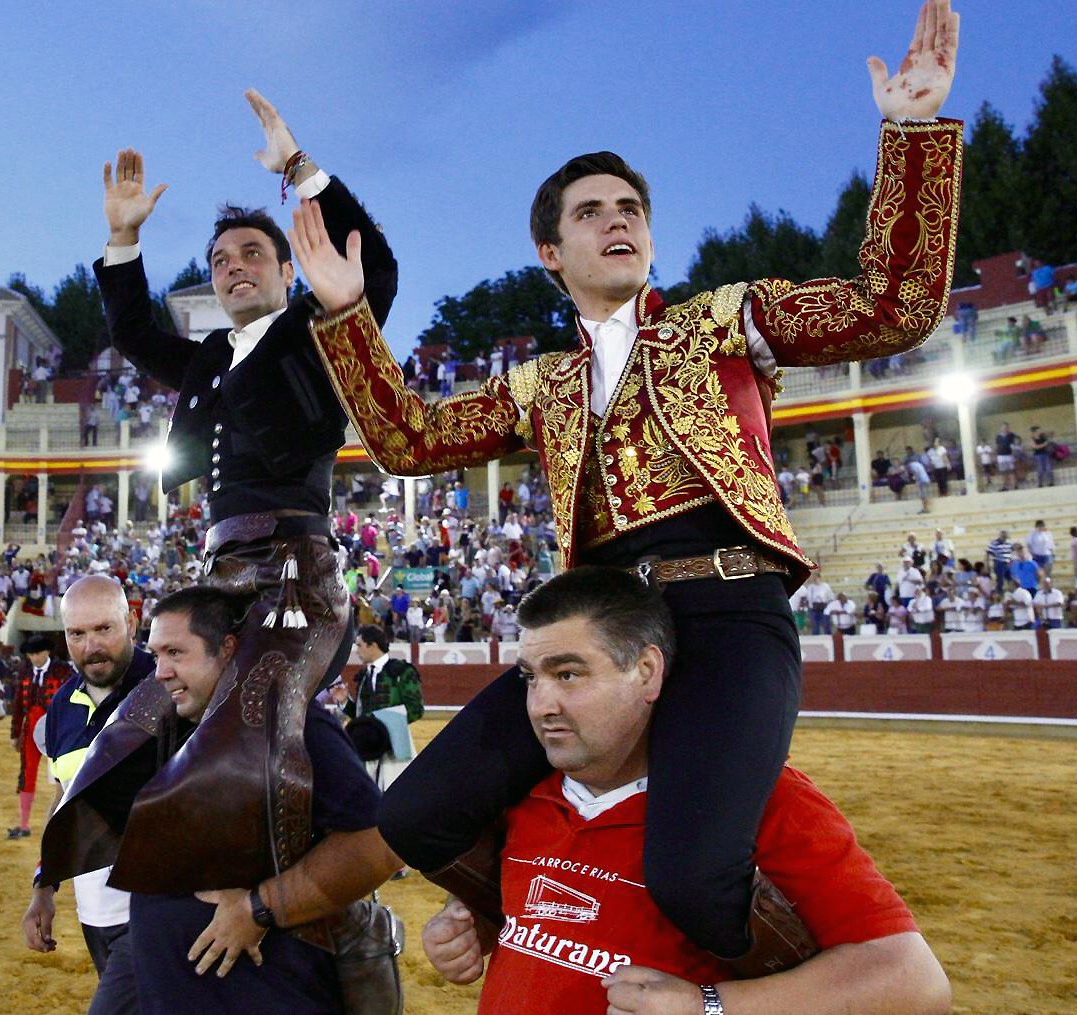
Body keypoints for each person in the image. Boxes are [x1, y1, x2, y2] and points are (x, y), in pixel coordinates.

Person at [295, 0, 963, 969]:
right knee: (417, 814)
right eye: (591, 212)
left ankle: (794, 992)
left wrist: (911, 137)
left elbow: (893, 306)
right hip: (597, 634)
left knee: (691, 877)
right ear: (550, 253)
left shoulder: (722, 321)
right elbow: (405, 438)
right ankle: (525, 915)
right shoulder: (542, 385)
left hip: (728, 616)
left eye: (631, 210)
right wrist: (347, 313)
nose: (618, 221)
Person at [92, 89, 397, 892]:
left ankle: (344, 862)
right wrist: (123, 238)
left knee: (256, 709)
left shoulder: (321, 331)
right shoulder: (208, 359)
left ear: (291, 271)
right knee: (152, 711)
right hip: (221, 570)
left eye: (253, 254)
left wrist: (299, 168)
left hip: (295, 565)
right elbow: (132, 331)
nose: (234, 267)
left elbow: (376, 269)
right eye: (221, 260)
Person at [420, 567, 950, 1015]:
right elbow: (539, 902)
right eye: (531, 678)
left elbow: (913, 981)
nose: (541, 706)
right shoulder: (519, 789)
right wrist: (474, 922)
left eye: (569, 675)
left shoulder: (755, 798)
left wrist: (708, 1006)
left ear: (647, 672)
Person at [39, 587, 401, 1014]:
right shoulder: (177, 724)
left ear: (226, 649)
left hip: (266, 991)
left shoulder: (288, 724)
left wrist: (261, 907)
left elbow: (377, 845)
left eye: (176, 653)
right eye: (156, 656)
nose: (160, 672)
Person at [22, 576, 153, 1015]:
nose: (91, 646)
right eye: (77, 634)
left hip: (159, 912)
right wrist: (44, 886)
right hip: (96, 913)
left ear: (131, 623)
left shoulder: (168, 686)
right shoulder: (62, 706)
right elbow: (64, 800)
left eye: (103, 629)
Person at [335, 624, 425, 790]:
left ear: (373, 645)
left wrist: (382, 724)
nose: (357, 651)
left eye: (360, 645)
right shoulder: (363, 676)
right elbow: (361, 717)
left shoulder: (401, 671)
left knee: (396, 792)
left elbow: (416, 709)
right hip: (368, 745)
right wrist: (344, 702)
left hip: (395, 744)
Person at [9, 634, 67, 839]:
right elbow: (18, 704)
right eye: (30, 654)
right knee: (27, 774)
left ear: (47, 652)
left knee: (63, 776)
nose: (34, 658)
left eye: (37, 653)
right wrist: (15, 733)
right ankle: (24, 824)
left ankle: (62, 824)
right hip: (30, 728)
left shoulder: (62, 671)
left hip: (57, 729)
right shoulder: (25, 671)